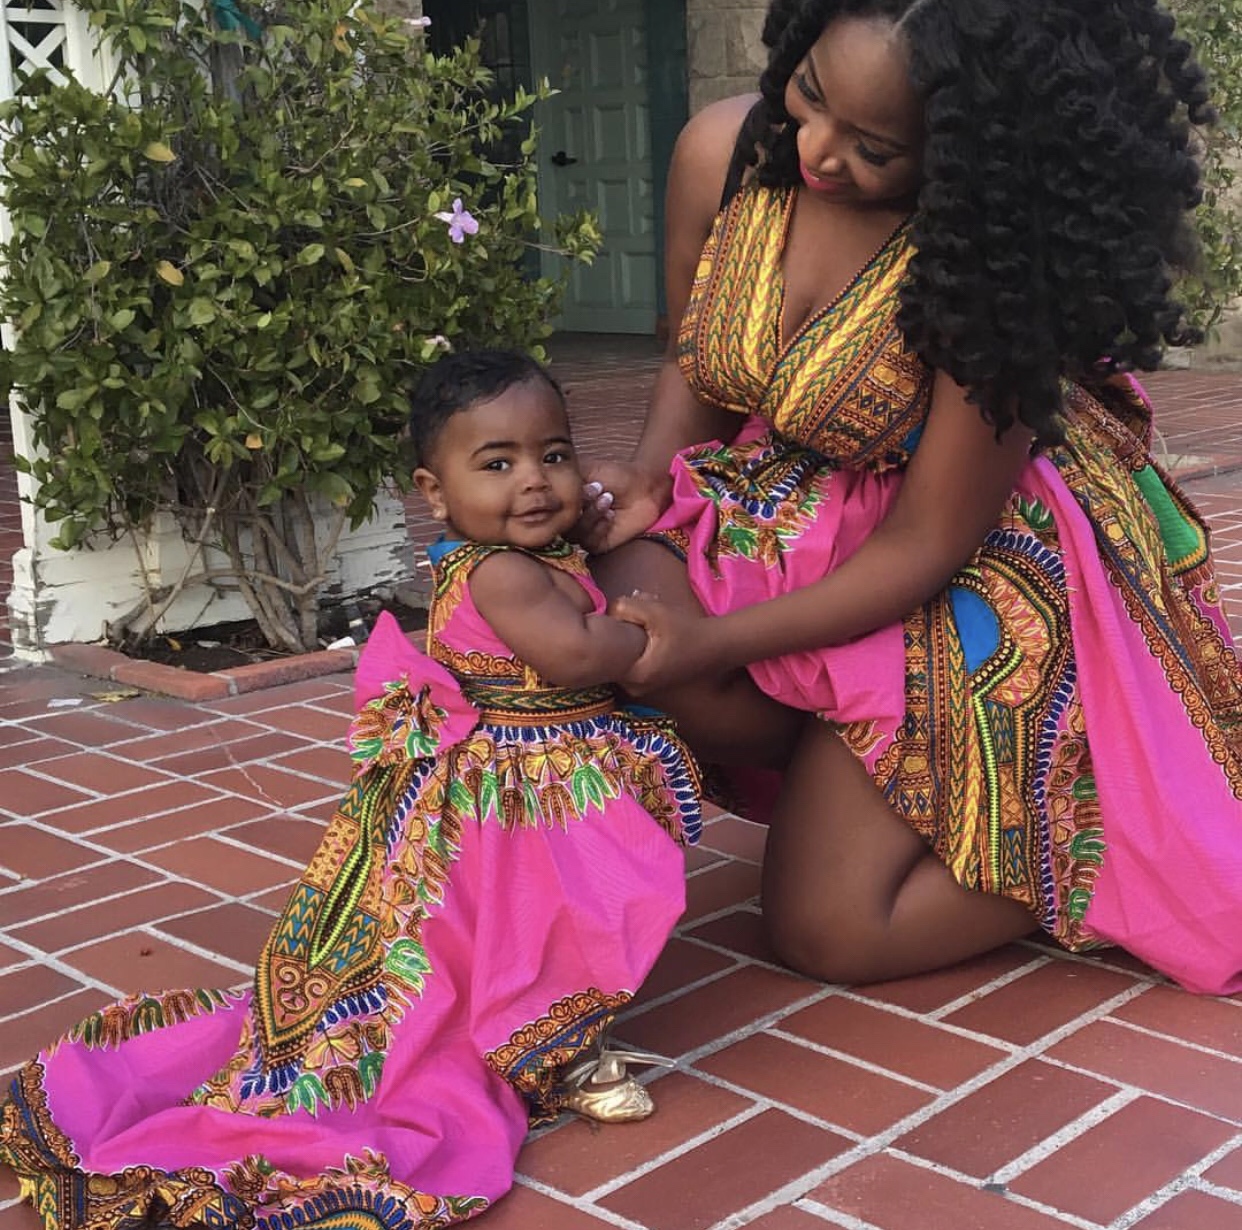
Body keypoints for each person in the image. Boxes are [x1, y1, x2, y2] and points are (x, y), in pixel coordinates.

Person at [580, 0, 1242, 997]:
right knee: (618, 612)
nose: (818, 150)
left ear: (963, 149)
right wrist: (641, 482)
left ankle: (1095, 826)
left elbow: (928, 541)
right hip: (796, 508)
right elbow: (699, 366)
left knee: (830, 928)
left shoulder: (989, 262)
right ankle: (884, 773)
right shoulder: (722, 153)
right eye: (809, 94)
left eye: (874, 146)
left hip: (975, 559)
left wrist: (714, 641)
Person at [0, 348, 702, 1230]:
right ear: (434, 491)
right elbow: (570, 655)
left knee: (552, 919)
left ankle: (550, 1029)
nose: (534, 479)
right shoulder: (500, 571)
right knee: (556, 914)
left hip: (542, 774)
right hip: (517, 793)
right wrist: (648, 634)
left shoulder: (531, 552)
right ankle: (552, 1050)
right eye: (497, 463)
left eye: (554, 454)